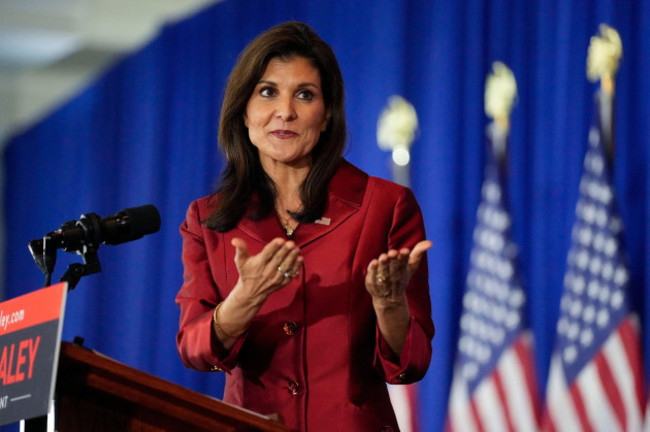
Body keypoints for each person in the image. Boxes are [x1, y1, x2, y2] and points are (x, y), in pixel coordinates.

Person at [176, 21, 434, 432]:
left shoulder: (385, 206)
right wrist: (243, 300)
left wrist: (389, 306)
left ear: (327, 114)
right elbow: (194, 349)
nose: (285, 111)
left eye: (305, 94)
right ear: (243, 110)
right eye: (267, 92)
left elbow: (413, 363)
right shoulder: (208, 219)